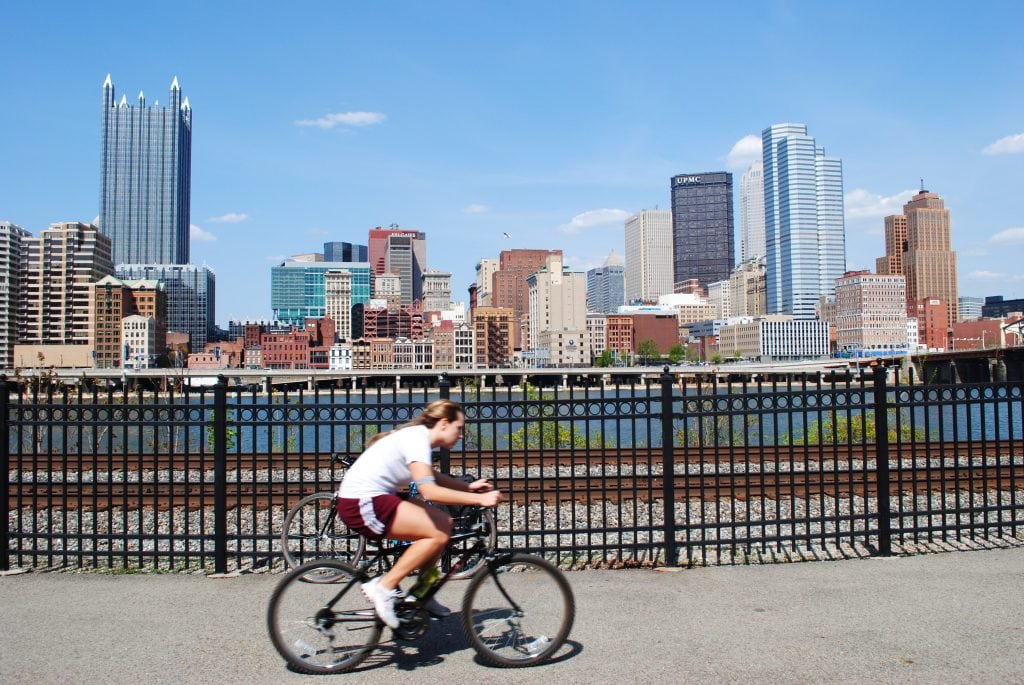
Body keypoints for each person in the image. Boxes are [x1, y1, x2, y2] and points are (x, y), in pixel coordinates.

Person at [336, 399, 501, 629]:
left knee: (444, 523)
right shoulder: (418, 439)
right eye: (459, 428)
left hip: (375, 497)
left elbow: (430, 475)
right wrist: (479, 499)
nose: (461, 435)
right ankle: (383, 587)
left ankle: (422, 593)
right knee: (435, 535)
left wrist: (468, 487)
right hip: (362, 502)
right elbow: (429, 490)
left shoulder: (419, 438)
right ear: (444, 423)